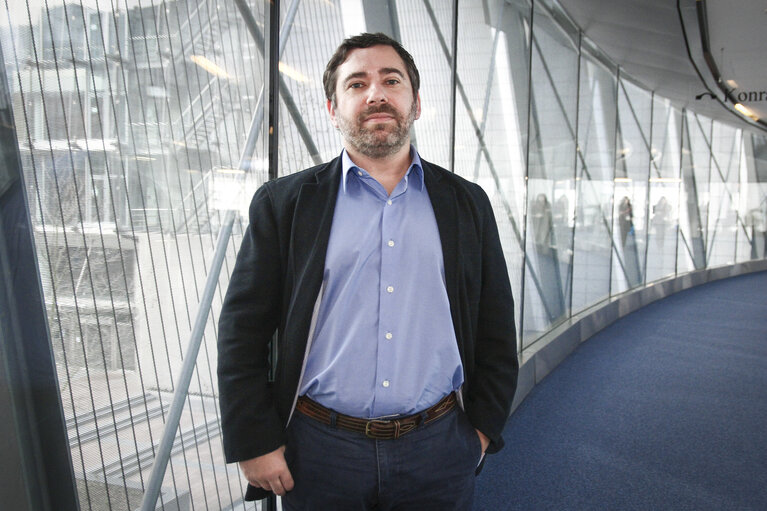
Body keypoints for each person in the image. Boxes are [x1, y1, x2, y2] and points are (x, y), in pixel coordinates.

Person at [217, 32, 518, 510]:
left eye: (391, 80)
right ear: (334, 109)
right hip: (319, 450)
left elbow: (496, 327)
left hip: (438, 446)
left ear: (415, 103)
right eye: (356, 84)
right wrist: (253, 440)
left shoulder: (467, 204)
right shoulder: (285, 205)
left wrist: (479, 432)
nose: (376, 93)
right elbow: (242, 331)